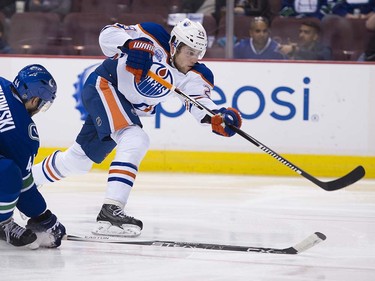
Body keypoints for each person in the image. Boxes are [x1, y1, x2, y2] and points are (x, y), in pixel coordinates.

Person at [32, 18, 242, 238]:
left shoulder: (196, 75)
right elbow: (107, 34)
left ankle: (24, 184)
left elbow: (199, 104)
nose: (194, 58)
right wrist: (130, 44)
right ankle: (111, 210)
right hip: (104, 85)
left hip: (123, 107)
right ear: (174, 44)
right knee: (135, 137)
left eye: (199, 53)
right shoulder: (151, 35)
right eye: (190, 52)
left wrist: (217, 118)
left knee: (78, 161)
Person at [0, 64, 66, 249]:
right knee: (8, 173)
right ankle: (1, 223)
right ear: (34, 98)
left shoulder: (2, 83)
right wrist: (44, 218)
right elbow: (24, 190)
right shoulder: (23, 132)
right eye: (42, 103)